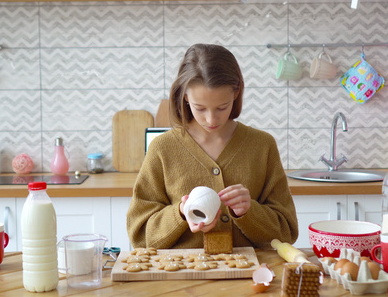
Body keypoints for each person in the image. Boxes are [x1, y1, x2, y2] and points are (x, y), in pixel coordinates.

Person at [127, 43, 298, 249]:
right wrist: (180, 212)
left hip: (251, 275)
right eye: (200, 108)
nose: (211, 119)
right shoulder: (162, 149)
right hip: (181, 277)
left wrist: (249, 212)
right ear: (185, 97)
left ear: (236, 93)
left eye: (221, 107)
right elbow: (139, 235)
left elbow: (287, 231)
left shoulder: (262, 145)